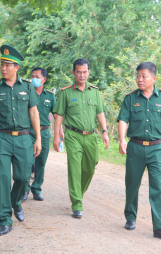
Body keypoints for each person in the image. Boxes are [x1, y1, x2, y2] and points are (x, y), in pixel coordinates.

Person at [0, 45, 42, 236]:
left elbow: (33, 112)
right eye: (2, 64)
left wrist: (38, 138)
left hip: (23, 139)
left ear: (17, 67)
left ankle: (15, 202)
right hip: (1, 138)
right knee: (3, 180)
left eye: (8, 65)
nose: (3, 68)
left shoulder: (27, 87)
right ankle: (5, 220)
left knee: (23, 178)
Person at [117, 61, 161, 238]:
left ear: (154, 78)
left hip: (156, 149)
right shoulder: (130, 98)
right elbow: (123, 120)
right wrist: (122, 140)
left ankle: (159, 227)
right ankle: (130, 217)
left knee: (158, 187)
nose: (139, 79)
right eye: (138, 76)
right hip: (135, 147)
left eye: (144, 76)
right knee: (132, 184)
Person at [53, 58, 109, 219]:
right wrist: (57, 136)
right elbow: (59, 116)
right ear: (73, 73)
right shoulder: (66, 92)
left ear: (88, 72)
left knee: (90, 167)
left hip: (91, 136)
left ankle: (79, 193)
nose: (82, 75)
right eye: (79, 72)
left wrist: (105, 132)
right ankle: (77, 203)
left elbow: (100, 113)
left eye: (85, 72)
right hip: (72, 135)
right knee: (75, 168)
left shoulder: (95, 92)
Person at [21, 67, 64, 202]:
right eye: (32, 76)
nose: (34, 79)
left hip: (44, 132)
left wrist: (60, 132)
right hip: (28, 132)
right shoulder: (26, 93)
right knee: (27, 161)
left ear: (44, 79)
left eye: (37, 77)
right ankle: (25, 189)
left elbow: (56, 115)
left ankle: (37, 188)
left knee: (41, 162)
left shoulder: (50, 96)